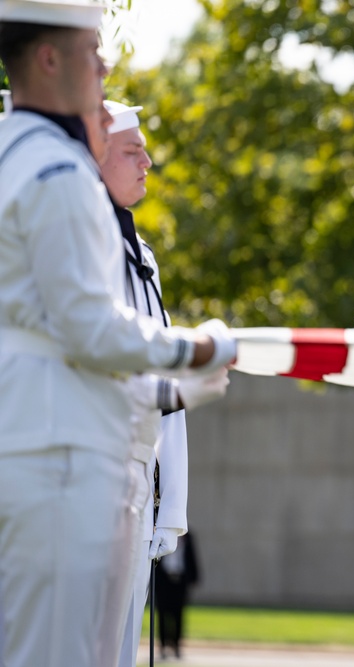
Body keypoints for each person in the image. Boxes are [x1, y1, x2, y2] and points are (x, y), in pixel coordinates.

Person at [0, 3, 235, 667]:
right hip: (60, 452)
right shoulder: (55, 167)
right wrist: (200, 349)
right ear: (49, 58)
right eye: (91, 50)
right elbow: (92, 328)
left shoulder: (15, 152)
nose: (102, 66)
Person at [85, 100, 200, 667]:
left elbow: (167, 389)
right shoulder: (75, 241)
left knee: (120, 649)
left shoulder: (143, 255)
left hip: (132, 473)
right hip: (83, 469)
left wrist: (171, 504)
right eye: (133, 151)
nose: (148, 162)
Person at [154, 530, 200, 660]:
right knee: (162, 614)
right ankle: (163, 646)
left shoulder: (188, 536)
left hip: (180, 580)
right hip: (164, 580)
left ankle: (176, 646)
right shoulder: (162, 533)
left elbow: (192, 556)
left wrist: (194, 577)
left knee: (178, 614)